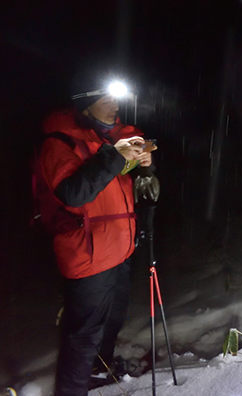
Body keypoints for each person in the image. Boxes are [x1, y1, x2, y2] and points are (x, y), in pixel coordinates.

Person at [40, 70, 158, 396]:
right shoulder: (58, 142)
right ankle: (72, 390)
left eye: (116, 98)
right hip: (87, 254)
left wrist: (144, 159)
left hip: (119, 249)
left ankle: (99, 368)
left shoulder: (107, 138)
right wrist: (115, 156)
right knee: (84, 335)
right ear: (86, 105)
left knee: (113, 319)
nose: (114, 105)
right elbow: (73, 192)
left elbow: (139, 142)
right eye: (106, 99)